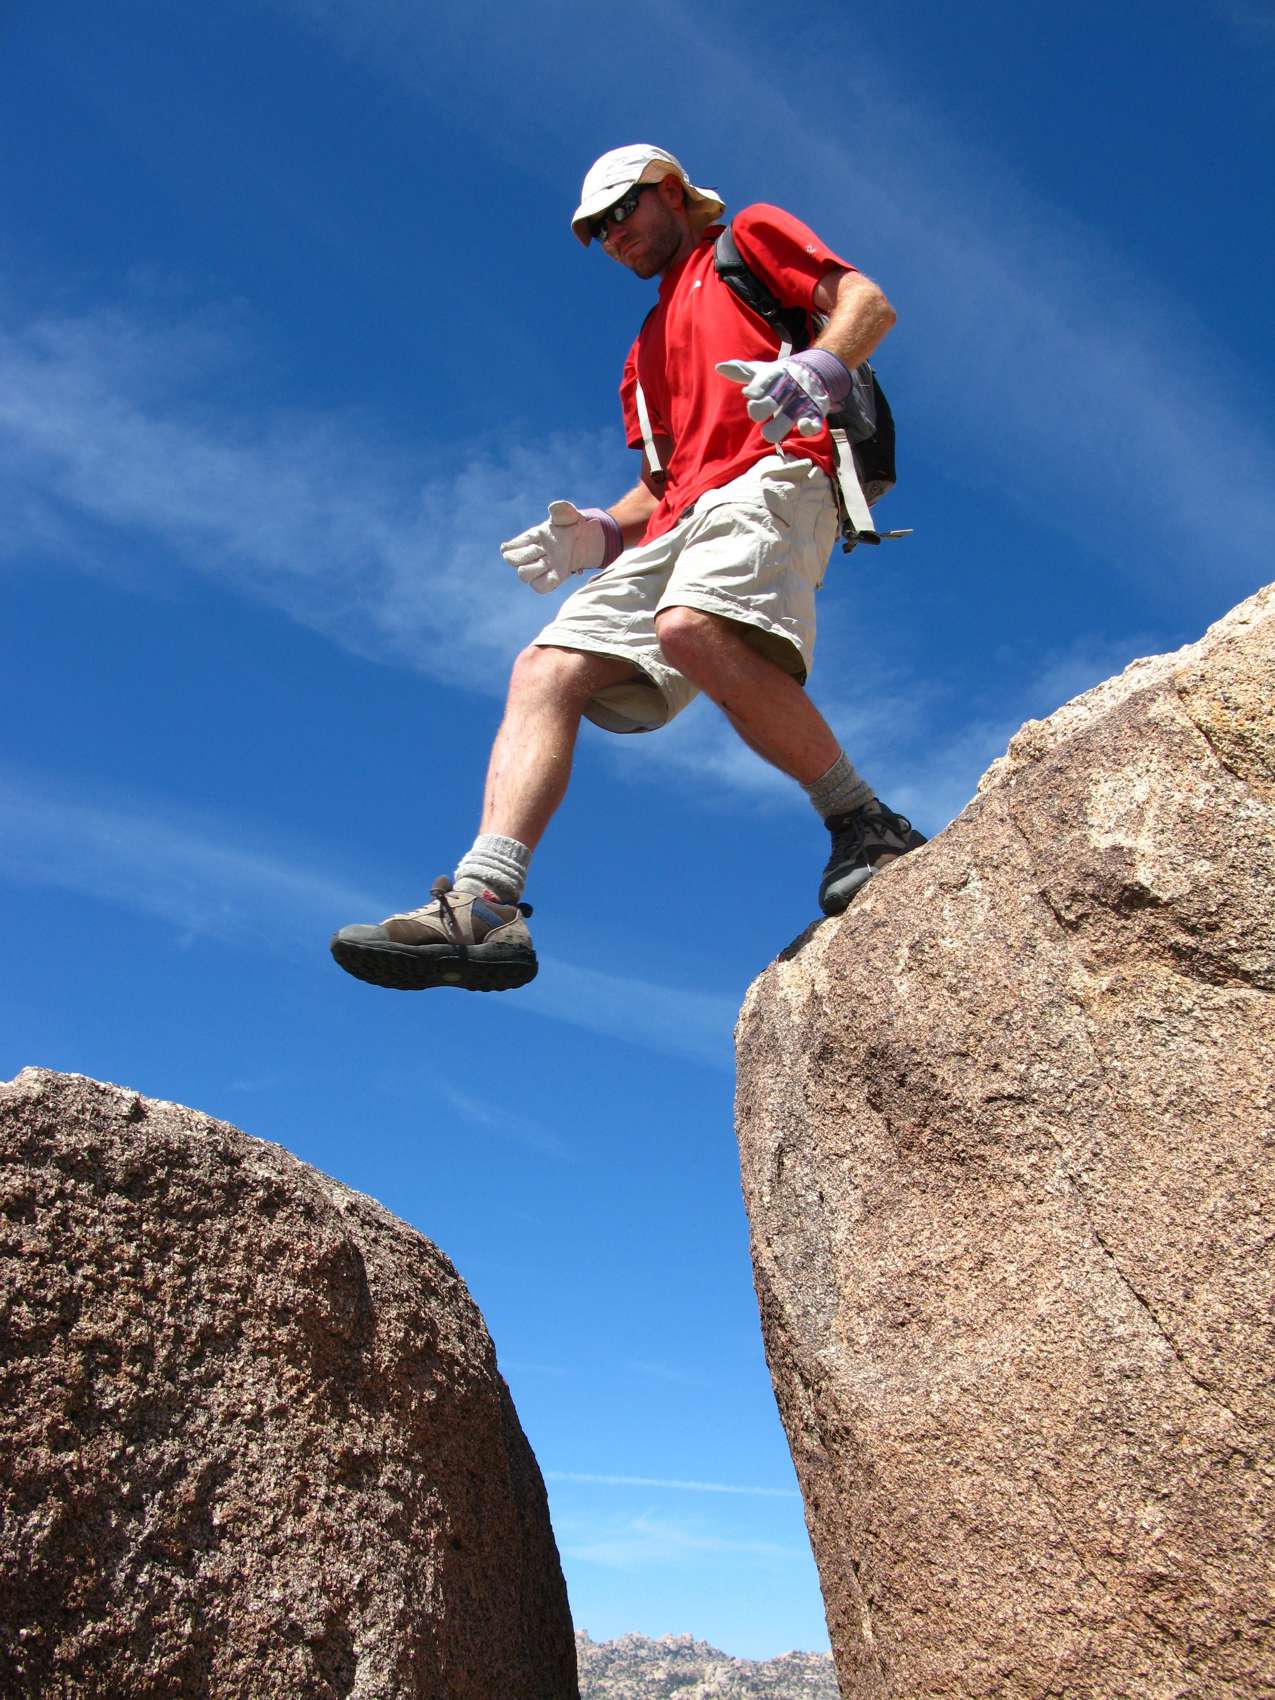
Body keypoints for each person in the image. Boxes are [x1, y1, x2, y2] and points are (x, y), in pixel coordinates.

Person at [330, 144, 925, 993]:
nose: (613, 237)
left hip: (777, 472)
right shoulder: (642, 351)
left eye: (622, 213)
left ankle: (863, 823)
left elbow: (866, 304)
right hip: (682, 515)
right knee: (545, 668)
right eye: (597, 231)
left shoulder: (747, 238)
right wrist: (601, 533)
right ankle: (484, 907)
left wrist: (816, 368)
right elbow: (660, 481)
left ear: (671, 192)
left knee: (692, 626)